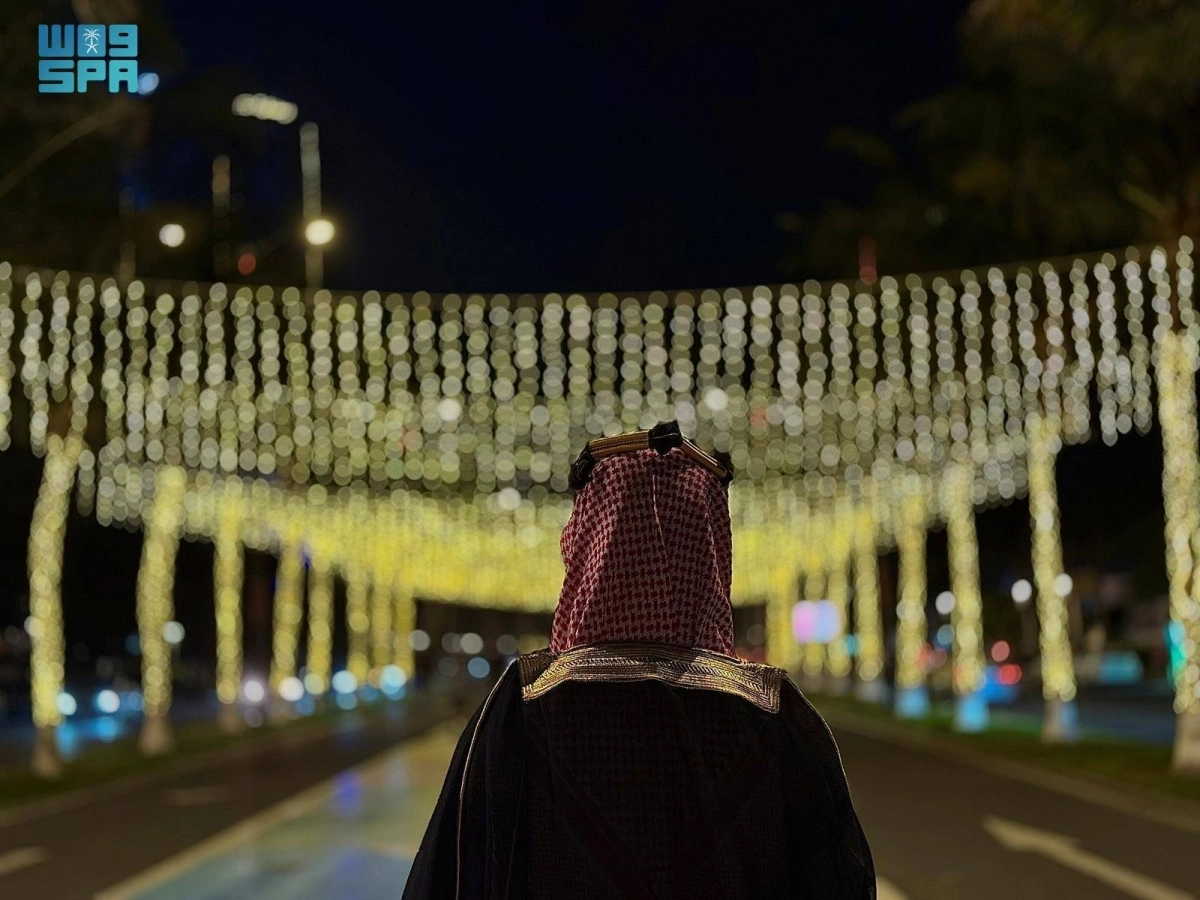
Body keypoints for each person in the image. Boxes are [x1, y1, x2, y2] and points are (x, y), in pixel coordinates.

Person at [403, 423, 876, 899]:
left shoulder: (522, 704)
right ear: (710, 554)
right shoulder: (773, 710)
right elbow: (839, 876)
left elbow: (455, 872)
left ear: (585, 549)